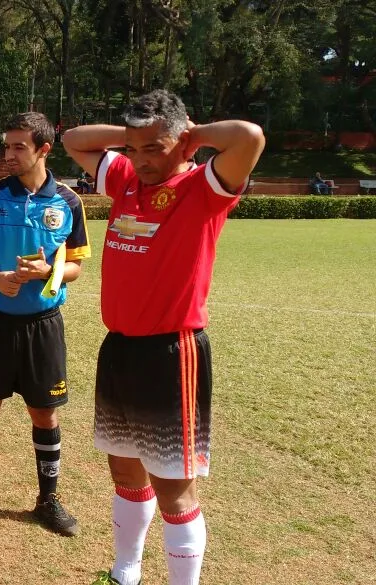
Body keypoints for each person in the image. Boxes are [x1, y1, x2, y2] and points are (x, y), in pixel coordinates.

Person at [63, 90, 264, 585]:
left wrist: (187, 135)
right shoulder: (128, 178)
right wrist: (136, 139)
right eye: (135, 149)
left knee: (174, 488)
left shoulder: (204, 188)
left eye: (156, 148)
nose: (143, 160)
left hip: (173, 352)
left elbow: (249, 137)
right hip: (120, 348)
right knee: (125, 473)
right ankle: (124, 571)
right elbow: (73, 140)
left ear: (185, 144)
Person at [0, 112, 90, 537]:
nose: (8, 154)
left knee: (44, 414)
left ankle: (48, 499)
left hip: (43, 324)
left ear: (44, 149)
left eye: (18, 147)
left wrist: (49, 271)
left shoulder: (67, 201)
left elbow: (77, 267)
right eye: (6, 146)